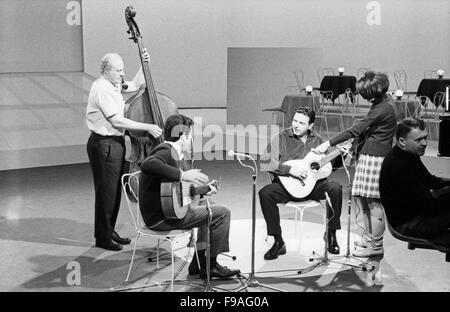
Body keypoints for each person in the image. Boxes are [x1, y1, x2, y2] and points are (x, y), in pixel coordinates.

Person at [139, 114, 240, 279]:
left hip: (168, 210)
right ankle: (211, 265)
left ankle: (198, 263)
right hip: (162, 218)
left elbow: (175, 192)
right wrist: (182, 174)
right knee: (223, 212)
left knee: (209, 202)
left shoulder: (173, 153)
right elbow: (147, 164)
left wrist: (203, 190)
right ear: (183, 136)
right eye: (190, 135)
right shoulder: (166, 151)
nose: (192, 138)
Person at [313, 71, 397, 257]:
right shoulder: (382, 102)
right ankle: (369, 238)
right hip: (370, 156)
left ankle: (375, 245)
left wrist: (327, 143)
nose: (365, 99)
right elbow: (366, 130)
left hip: (375, 159)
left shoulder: (382, 108)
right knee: (363, 201)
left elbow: (356, 129)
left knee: (374, 205)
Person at [86, 51, 162, 251]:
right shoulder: (102, 89)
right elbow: (116, 120)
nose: (122, 73)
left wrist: (144, 63)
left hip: (115, 143)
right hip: (104, 144)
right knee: (106, 193)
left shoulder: (114, 84)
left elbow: (137, 85)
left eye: (122, 70)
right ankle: (102, 237)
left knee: (114, 191)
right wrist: (147, 127)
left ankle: (108, 230)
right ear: (107, 70)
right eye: (118, 70)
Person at [259, 107, 343, 260]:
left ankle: (331, 235)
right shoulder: (282, 137)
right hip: (287, 186)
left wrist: (340, 154)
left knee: (335, 188)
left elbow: (328, 167)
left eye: (301, 123)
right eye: (294, 121)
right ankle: (278, 241)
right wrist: (289, 170)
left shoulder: (317, 140)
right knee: (265, 193)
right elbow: (265, 161)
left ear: (310, 126)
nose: (296, 125)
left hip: (312, 187)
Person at [379, 118, 450, 244]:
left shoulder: (409, 154)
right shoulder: (399, 166)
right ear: (402, 141)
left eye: (425, 138)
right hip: (408, 223)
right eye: (418, 140)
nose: (424, 143)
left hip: (418, 211)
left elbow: (430, 181)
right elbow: (427, 207)